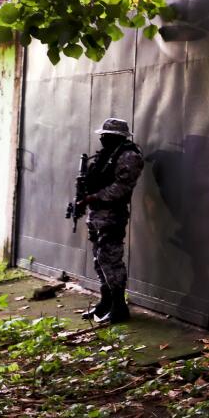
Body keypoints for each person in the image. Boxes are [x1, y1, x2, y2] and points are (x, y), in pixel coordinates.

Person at [78, 118, 144, 324]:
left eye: (105, 135)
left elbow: (122, 187)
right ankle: (106, 302)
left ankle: (119, 307)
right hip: (97, 214)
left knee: (111, 259)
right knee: (99, 259)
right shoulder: (106, 155)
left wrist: (93, 197)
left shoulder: (129, 156)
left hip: (112, 214)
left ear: (115, 137)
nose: (101, 138)